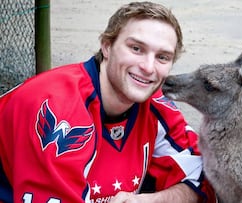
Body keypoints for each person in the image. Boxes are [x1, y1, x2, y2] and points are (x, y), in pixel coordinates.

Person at [0, 1, 216, 203]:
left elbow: (206, 177)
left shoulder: (156, 105)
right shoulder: (57, 108)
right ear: (107, 46)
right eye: (136, 48)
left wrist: (148, 200)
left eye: (162, 57)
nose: (149, 67)